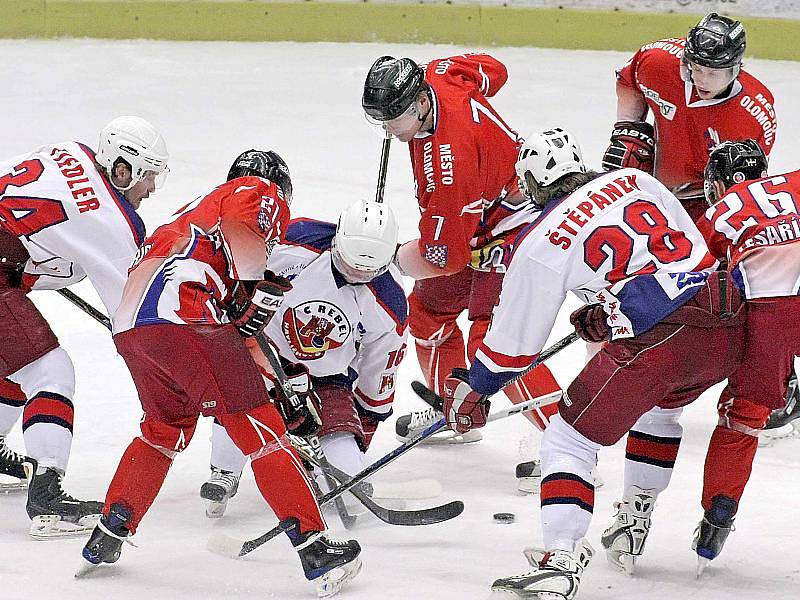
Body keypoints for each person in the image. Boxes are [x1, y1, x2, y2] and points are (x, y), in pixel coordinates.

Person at [442, 129, 744, 599]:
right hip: (725, 320)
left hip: (658, 342)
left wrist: (476, 387)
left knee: (568, 440)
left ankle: (560, 557)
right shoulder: (634, 179)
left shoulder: (541, 240)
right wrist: (613, 311)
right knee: (660, 409)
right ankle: (633, 521)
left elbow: (512, 346)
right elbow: (693, 253)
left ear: (529, 182)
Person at [78, 150, 361, 597]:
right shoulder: (256, 190)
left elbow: (237, 336)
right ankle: (315, 548)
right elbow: (243, 249)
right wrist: (254, 288)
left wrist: (276, 384)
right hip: (187, 317)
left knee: (163, 429)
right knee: (263, 433)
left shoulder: (193, 213)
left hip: (134, 327)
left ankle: (109, 533)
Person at [361, 53, 562, 450]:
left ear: (420, 103)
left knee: (494, 342)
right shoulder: (440, 73)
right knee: (426, 315)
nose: (388, 129)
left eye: (394, 119)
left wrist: (388, 258)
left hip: (515, 227)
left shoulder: (448, 167)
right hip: (480, 216)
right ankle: (453, 409)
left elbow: (444, 257)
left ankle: (565, 439)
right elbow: (494, 70)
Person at [0, 116, 168, 536]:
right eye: (148, 177)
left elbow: (44, 233)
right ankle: (47, 498)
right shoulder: (112, 220)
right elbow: (131, 312)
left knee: (15, 361)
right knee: (50, 371)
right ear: (123, 169)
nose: (151, 189)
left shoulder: (69, 150)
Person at [200, 199, 408, 519]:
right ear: (337, 241)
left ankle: (339, 476)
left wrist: (365, 425)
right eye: (351, 264)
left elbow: (379, 368)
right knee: (241, 406)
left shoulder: (390, 301)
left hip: (328, 379)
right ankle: (224, 471)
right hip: (266, 356)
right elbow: (236, 265)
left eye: (368, 271)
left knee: (349, 478)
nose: (356, 275)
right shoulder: (295, 240)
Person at [690, 140, 800, 573]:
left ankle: (719, 514)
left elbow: (693, 277)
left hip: (772, 316)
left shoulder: (717, 214)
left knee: (744, 417)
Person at [603, 12, 777, 222]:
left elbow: (748, 181)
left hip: (701, 201)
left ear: (735, 68)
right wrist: (628, 128)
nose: (700, 79)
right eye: (695, 68)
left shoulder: (756, 114)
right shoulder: (658, 61)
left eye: (712, 73)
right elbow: (630, 80)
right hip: (648, 185)